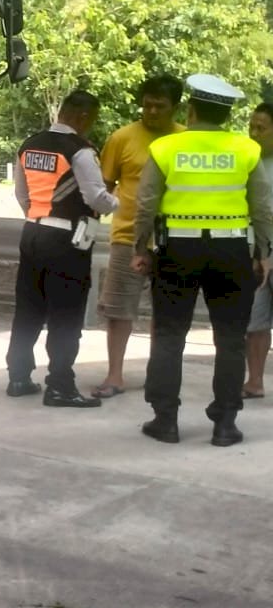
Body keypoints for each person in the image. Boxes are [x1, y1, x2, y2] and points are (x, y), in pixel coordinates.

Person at [132, 76, 273, 446]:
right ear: (226, 114)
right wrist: (264, 253)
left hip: (177, 250)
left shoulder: (166, 147)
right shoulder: (246, 149)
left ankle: (165, 419)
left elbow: (145, 203)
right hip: (232, 251)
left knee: (169, 334)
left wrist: (140, 248)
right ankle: (225, 423)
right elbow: (262, 207)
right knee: (230, 339)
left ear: (191, 110)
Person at [6, 90, 118, 408]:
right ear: (82, 116)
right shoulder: (79, 151)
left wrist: (39, 216)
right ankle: (60, 386)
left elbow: (22, 194)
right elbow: (96, 198)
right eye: (91, 119)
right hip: (67, 240)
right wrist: (121, 203)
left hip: (32, 231)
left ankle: (18, 377)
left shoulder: (29, 145)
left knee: (28, 309)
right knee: (66, 313)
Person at [91, 75, 185, 398]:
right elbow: (104, 186)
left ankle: (158, 376)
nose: (152, 111)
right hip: (128, 238)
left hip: (175, 239)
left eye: (160, 106)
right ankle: (114, 376)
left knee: (167, 312)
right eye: (147, 105)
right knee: (119, 310)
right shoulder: (122, 138)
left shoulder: (185, 140)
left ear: (176, 107)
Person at [242, 102, 273, 399]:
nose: (253, 133)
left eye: (260, 128)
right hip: (257, 250)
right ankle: (254, 382)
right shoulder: (247, 162)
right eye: (251, 126)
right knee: (255, 319)